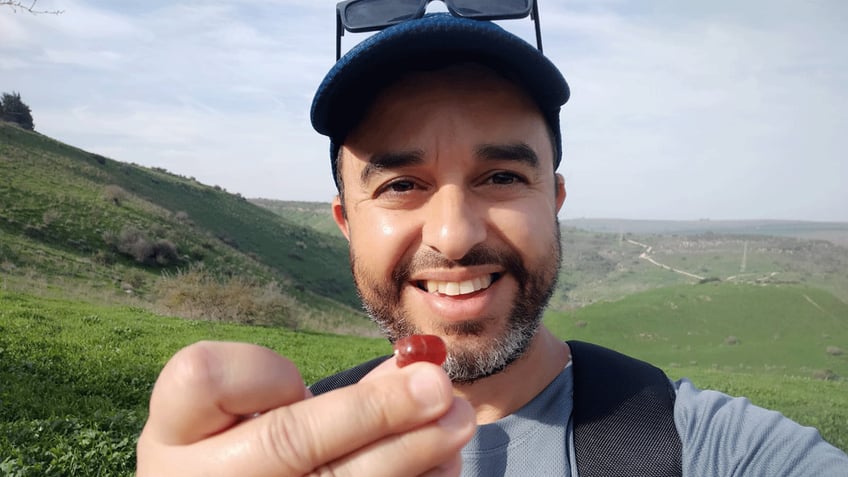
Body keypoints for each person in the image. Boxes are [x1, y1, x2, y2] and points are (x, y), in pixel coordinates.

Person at [136, 3, 848, 476]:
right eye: (400, 184)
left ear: (556, 201)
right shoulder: (285, 453)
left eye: (502, 175)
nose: (453, 234)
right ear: (346, 223)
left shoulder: (704, 447)